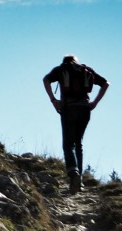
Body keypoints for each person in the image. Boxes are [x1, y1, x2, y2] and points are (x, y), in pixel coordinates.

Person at [43, 54, 109, 193]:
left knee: (68, 144)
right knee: (78, 143)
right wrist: (95, 102)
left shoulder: (61, 69)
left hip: (68, 108)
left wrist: (53, 100)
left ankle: (74, 174)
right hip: (85, 109)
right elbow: (105, 83)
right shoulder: (86, 70)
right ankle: (79, 181)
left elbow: (46, 80)